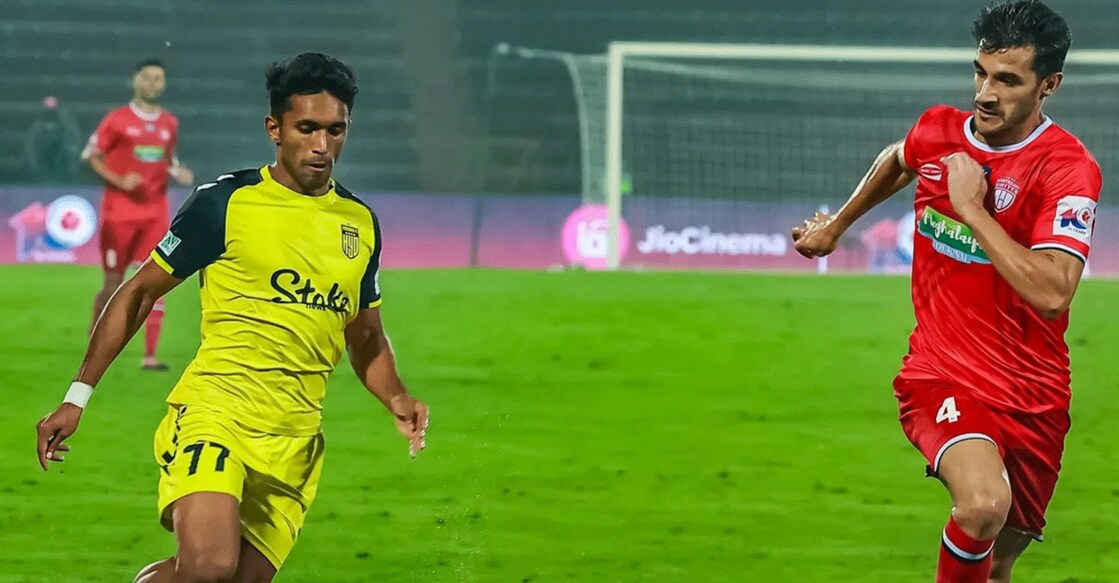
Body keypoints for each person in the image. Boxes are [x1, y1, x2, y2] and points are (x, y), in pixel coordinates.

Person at [36, 52, 430, 582]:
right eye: (307, 128)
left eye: (335, 131)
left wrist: (397, 396)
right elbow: (136, 294)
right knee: (208, 568)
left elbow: (365, 337)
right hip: (215, 414)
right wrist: (76, 397)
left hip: (295, 441)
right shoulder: (225, 203)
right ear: (275, 128)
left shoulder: (359, 223)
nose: (321, 145)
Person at [790, 2, 1099, 582]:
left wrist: (970, 210)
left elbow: (1055, 291)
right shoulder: (938, 130)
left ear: (1048, 86)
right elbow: (899, 158)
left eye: (1007, 80)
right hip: (941, 373)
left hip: (1034, 395)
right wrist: (838, 225)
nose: (985, 92)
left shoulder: (1068, 169)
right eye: (980, 72)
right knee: (982, 506)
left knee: (998, 564)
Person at [81, 58, 194, 371]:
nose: (153, 84)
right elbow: (90, 156)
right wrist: (119, 180)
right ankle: (96, 339)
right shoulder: (116, 120)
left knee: (156, 281)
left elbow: (169, 160)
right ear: (136, 81)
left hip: (155, 214)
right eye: (147, 77)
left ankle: (150, 355)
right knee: (113, 283)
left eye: (159, 78)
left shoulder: (169, 123)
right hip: (118, 214)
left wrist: (178, 172)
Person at [24, 96, 83, 184]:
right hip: (44, 165)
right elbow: (29, 144)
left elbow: (76, 139)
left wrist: (73, 151)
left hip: (63, 163)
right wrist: (34, 165)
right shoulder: (38, 127)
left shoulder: (68, 124)